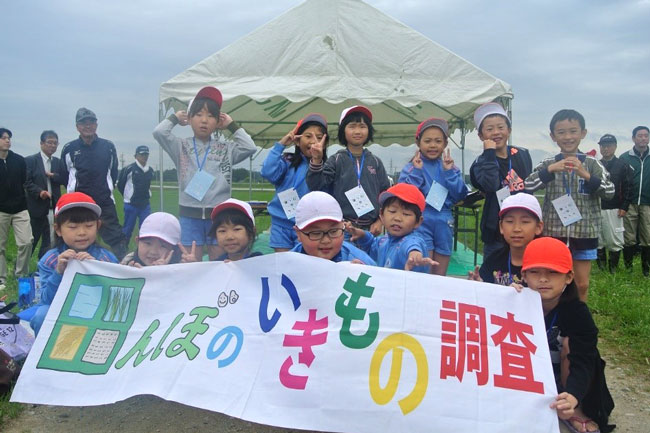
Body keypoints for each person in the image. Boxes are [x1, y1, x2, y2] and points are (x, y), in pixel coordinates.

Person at [518, 237, 614, 433]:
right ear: (524, 275)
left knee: (571, 343)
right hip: (527, 376)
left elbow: (584, 359)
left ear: (569, 277)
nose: (543, 279)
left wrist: (574, 394)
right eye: (534, 272)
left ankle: (574, 410)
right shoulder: (514, 301)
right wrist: (502, 299)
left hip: (564, 377)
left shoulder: (578, 313)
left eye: (553, 272)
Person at [153, 86, 256, 262]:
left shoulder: (226, 149)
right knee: (190, 262)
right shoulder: (180, 146)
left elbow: (250, 147)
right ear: (189, 118)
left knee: (218, 263)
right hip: (189, 216)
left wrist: (231, 125)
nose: (204, 120)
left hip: (218, 217)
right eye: (199, 114)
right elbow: (159, 132)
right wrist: (175, 118)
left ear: (217, 122)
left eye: (210, 116)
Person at [524, 109, 614, 301]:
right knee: (550, 282)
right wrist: (550, 170)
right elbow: (526, 186)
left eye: (573, 131)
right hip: (553, 231)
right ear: (553, 136)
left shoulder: (592, 164)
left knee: (582, 284)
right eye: (561, 132)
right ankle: (551, 320)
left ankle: (577, 323)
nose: (568, 137)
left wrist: (586, 175)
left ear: (583, 133)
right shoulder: (548, 163)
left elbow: (610, 192)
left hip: (585, 232)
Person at [29, 192, 118, 336]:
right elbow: (46, 299)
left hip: (96, 312)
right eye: (73, 227)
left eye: (89, 226)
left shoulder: (106, 259)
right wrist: (58, 272)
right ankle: (44, 356)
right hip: (62, 311)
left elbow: (114, 296)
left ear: (98, 225)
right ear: (58, 230)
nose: (82, 232)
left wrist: (96, 270)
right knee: (41, 315)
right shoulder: (50, 259)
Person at [399, 118, 468, 275]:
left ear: (444, 144)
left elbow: (460, 194)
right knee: (424, 270)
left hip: (444, 221)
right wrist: (416, 172)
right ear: (418, 143)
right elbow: (405, 196)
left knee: (440, 274)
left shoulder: (451, 167)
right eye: (428, 141)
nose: (432, 145)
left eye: (438, 141)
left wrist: (450, 173)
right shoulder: (411, 167)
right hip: (422, 220)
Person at [306, 106, 390, 236]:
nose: (357, 131)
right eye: (352, 126)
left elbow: (385, 194)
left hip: (371, 230)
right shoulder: (336, 160)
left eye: (362, 126)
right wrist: (317, 159)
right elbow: (316, 186)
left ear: (369, 130)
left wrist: (380, 221)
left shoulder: (376, 162)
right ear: (343, 131)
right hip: (343, 229)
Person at [60, 108, 127, 260]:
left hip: (104, 202)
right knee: (78, 239)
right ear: (77, 126)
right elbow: (65, 174)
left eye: (91, 122)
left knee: (117, 239)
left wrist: (106, 189)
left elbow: (113, 172)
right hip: (79, 204)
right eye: (83, 123)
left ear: (96, 125)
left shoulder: (108, 147)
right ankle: (74, 271)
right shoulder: (69, 148)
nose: (88, 126)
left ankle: (121, 271)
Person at [469, 102, 533, 257]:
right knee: (494, 276)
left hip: (523, 226)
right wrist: (489, 153)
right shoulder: (479, 164)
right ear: (481, 135)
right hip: (495, 231)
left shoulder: (522, 154)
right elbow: (490, 185)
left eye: (501, 127)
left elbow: (528, 184)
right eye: (489, 129)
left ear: (509, 130)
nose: (496, 132)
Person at [261, 113, 328, 252]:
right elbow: (267, 172)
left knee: (305, 267)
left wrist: (317, 160)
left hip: (309, 227)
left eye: (319, 137)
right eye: (308, 136)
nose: (313, 141)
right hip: (281, 224)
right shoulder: (287, 161)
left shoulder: (327, 167)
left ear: (325, 143)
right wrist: (281, 145)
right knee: (284, 267)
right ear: (297, 141)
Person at [347, 183, 435, 272]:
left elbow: (412, 247)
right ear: (381, 215)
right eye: (392, 211)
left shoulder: (412, 240)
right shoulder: (385, 240)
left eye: (406, 214)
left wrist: (415, 255)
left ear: (418, 222)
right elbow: (373, 245)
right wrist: (363, 235)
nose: (397, 218)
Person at [469, 192, 543, 285]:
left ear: (538, 227)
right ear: (501, 227)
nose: (517, 229)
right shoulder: (493, 260)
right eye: (510, 221)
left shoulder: (547, 265)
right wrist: (478, 285)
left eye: (525, 221)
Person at [290, 191, 376, 265]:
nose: (326, 240)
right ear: (298, 233)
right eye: (316, 233)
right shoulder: (285, 266)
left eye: (334, 231)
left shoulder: (362, 262)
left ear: (343, 226)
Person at [0, 127, 32, 291]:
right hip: (1, 210)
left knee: (27, 241)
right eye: (4, 138)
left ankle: (21, 274)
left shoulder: (19, 160)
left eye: (9, 138)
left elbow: (24, 182)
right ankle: (1, 278)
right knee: (0, 246)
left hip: (20, 208)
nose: (7, 140)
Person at [595, 134, 633, 273]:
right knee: (598, 238)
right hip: (597, 207)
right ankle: (601, 267)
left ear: (615, 147)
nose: (605, 149)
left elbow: (629, 187)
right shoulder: (596, 165)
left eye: (609, 145)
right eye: (603, 146)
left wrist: (624, 206)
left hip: (615, 208)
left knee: (614, 240)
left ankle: (613, 269)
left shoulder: (622, 165)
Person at [24, 130, 65, 259]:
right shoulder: (30, 160)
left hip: (54, 208)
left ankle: (42, 267)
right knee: (31, 240)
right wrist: (39, 192)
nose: (52, 146)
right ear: (41, 143)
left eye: (55, 143)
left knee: (50, 240)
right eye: (49, 142)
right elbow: (26, 182)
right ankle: (20, 270)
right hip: (36, 207)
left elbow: (65, 179)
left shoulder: (58, 162)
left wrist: (54, 176)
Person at [619, 125, 650, 275]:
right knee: (629, 237)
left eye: (646, 135)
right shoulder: (625, 158)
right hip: (630, 203)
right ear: (633, 138)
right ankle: (628, 268)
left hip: (647, 203)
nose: (643, 138)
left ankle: (646, 270)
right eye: (640, 136)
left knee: (648, 237)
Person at [117, 145, 155, 242]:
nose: (144, 157)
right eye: (142, 154)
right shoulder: (129, 169)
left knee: (146, 228)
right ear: (136, 156)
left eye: (146, 154)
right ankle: (123, 248)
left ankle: (143, 248)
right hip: (131, 204)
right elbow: (121, 184)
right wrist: (128, 196)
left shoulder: (150, 170)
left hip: (145, 204)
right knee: (128, 228)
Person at [121, 212, 186, 267]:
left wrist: (191, 268)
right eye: (148, 243)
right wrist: (128, 274)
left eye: (163, 246)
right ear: (137, 241)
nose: (153, 252)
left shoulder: (180, 266)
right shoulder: (128, 261)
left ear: (174, 249)